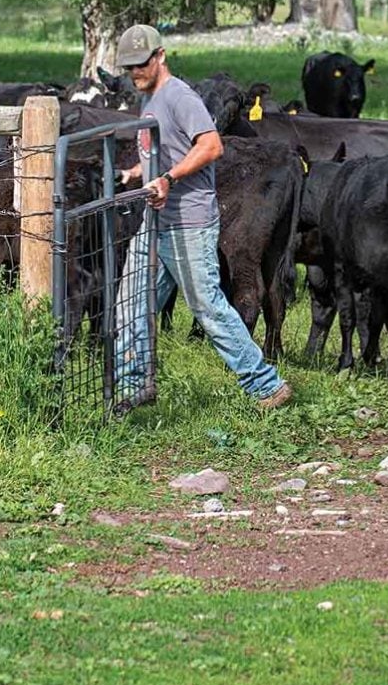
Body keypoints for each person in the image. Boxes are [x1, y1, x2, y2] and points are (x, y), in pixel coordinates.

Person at [111, 23, 292, 411]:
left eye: (141, 64)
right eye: (130, 67)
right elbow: (165, 152)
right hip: (157, 220)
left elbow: (210, 146)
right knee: (131, 303)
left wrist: (169, 178)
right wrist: (136, 173)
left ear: (161, 57)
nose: (135, 73)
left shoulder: (179, 97)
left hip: (188, 221)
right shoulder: (150, 98)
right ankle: (131, 389)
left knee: (207, 307)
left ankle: (266, 385)